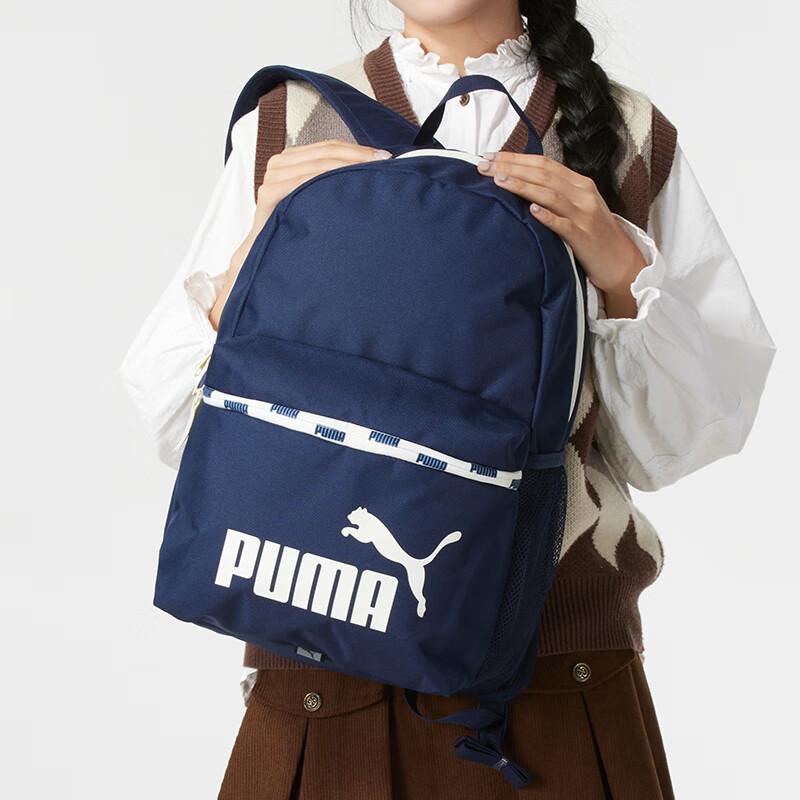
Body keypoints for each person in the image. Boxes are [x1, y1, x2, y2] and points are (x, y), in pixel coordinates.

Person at [119, 1, 776, 797]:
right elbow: (178, 422)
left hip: (559, 681)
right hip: (322, 674)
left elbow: (684, 437)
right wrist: (252, 248)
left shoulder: (627, 135)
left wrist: (618, 264)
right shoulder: (293, 120)